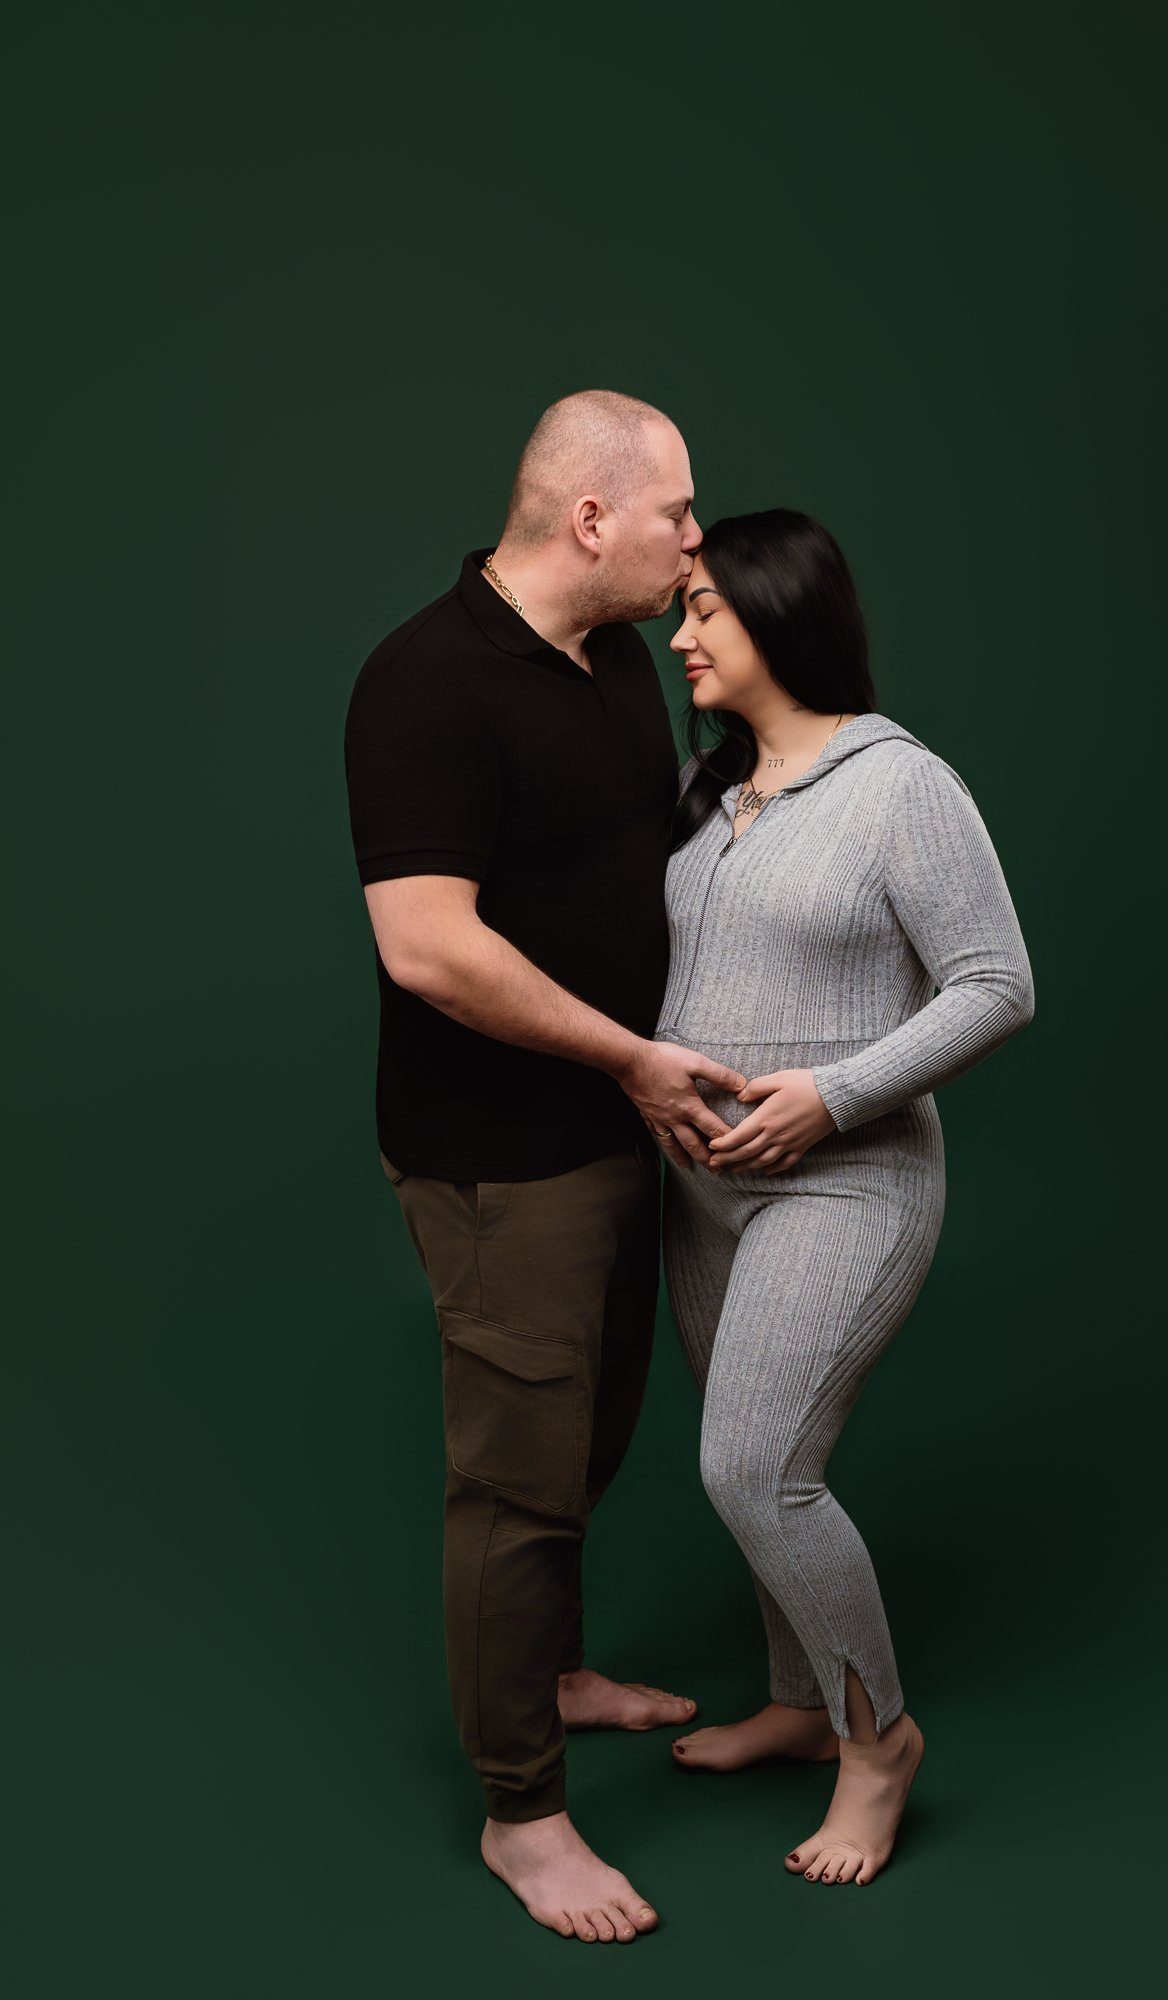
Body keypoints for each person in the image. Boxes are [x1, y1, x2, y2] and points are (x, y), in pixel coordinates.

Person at [343, 390, 747, 1944]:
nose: (692, 540)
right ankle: (524, 1812)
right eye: (676, 514)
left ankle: (558, 1674)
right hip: (497, 1159)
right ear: (592, 518)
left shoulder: (621, 661)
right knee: (514, 1484)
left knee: (595, 1434)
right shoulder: (424, 683)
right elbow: (427, 949)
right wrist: (636, 1060)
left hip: (612, 1136)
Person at [655, 509, 1035, 1887]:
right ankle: (803, 1708)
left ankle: (882, 1742)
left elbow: (999, 983)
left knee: (754, 1466)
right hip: (705, 1195)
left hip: (850, 1179)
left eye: (703, 609)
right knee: (750, 1464)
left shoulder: (900, 785)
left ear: (777, 612)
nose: (680, 633)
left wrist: (833, 1094)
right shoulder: (708, 794)